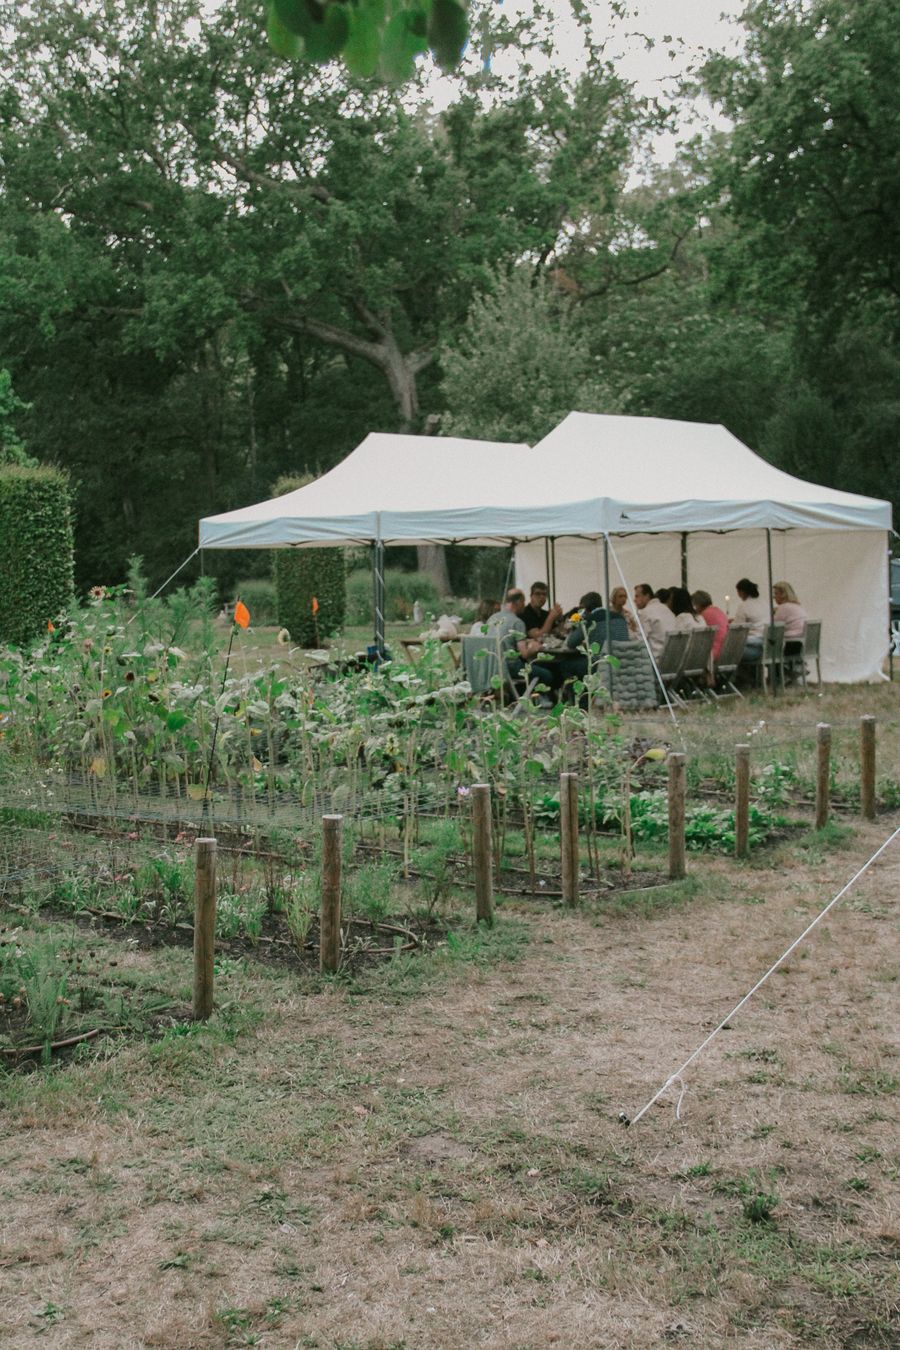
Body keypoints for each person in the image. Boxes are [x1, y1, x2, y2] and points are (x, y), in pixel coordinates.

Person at [529, 592, 628, 699]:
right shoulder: (620, 618)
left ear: (584, 609)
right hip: (622, 661)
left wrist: (576, 626)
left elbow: (571, 643)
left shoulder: (591, 619)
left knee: (566, 665)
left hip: (600, 663)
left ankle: (580, 701)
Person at [633, 583, 676, 660]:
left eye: (637, 596)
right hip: (672, 658)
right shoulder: (667, 610)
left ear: (647, 596)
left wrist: (631, 630)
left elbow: (638, 640)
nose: (634, 600)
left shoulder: (646, 613)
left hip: (656, 660)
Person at [773, 581, 809, 665]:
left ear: (783, 595)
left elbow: (774, 627)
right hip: (802, 645)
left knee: (767, 651)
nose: (774, 597)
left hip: (791, 645)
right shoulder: (797, 606)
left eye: (776, 594)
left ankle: (777, 676)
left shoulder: (783, 608)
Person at [731, 578, 766, 659]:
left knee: (729, 651)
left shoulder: (744, 606)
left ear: (742, 592)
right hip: (766, 645)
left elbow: (737, 627)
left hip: (753, 645)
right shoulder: (764, 603)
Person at [692, 590, 729, 662]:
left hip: (713, 653)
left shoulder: (703, 615)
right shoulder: (718, 611)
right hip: (725, 650)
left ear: (698, 604)